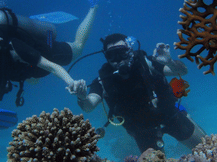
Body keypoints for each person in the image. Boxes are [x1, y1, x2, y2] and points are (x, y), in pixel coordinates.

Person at [74, 33, 207, 153]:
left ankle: (184, 113)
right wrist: (82, 97)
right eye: (111, 55)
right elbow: (89, 106)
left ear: (130, 50)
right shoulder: (103, 80)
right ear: (106, 57)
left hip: (170, 116)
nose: (118, 59)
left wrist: (170, 62)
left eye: (122, 52)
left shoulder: (147, 63)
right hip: (142, 131)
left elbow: (182, 72)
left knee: (207, 149)